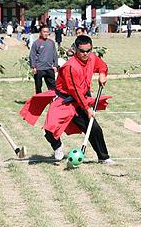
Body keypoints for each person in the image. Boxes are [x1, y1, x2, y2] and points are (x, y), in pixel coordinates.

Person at [20, 34, 114, 164]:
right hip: (64, 101)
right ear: (76, 49)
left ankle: (104, 157)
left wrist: (102, 74)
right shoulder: (70, 67)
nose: (85, 54)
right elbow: (74, 91)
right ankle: (57, 146)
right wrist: (87, 109)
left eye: (88, 51)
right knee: (49, 130)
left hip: (82, 98)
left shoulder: (92, 58)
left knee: (94, 128)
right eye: (82, 51)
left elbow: (102, 66)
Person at [29, 25, 58, 94]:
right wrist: (33, 67)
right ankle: (39, 103)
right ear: (40, 32)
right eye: (44, 32)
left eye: (47, 32)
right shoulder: (36, 43)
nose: (46, 33)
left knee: (53, 88)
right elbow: (32, 55)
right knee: (38, 88)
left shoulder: (51, 42)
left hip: (49, 68)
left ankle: (53, 102)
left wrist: (55, 65)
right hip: (39, 69)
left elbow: (55, 54)